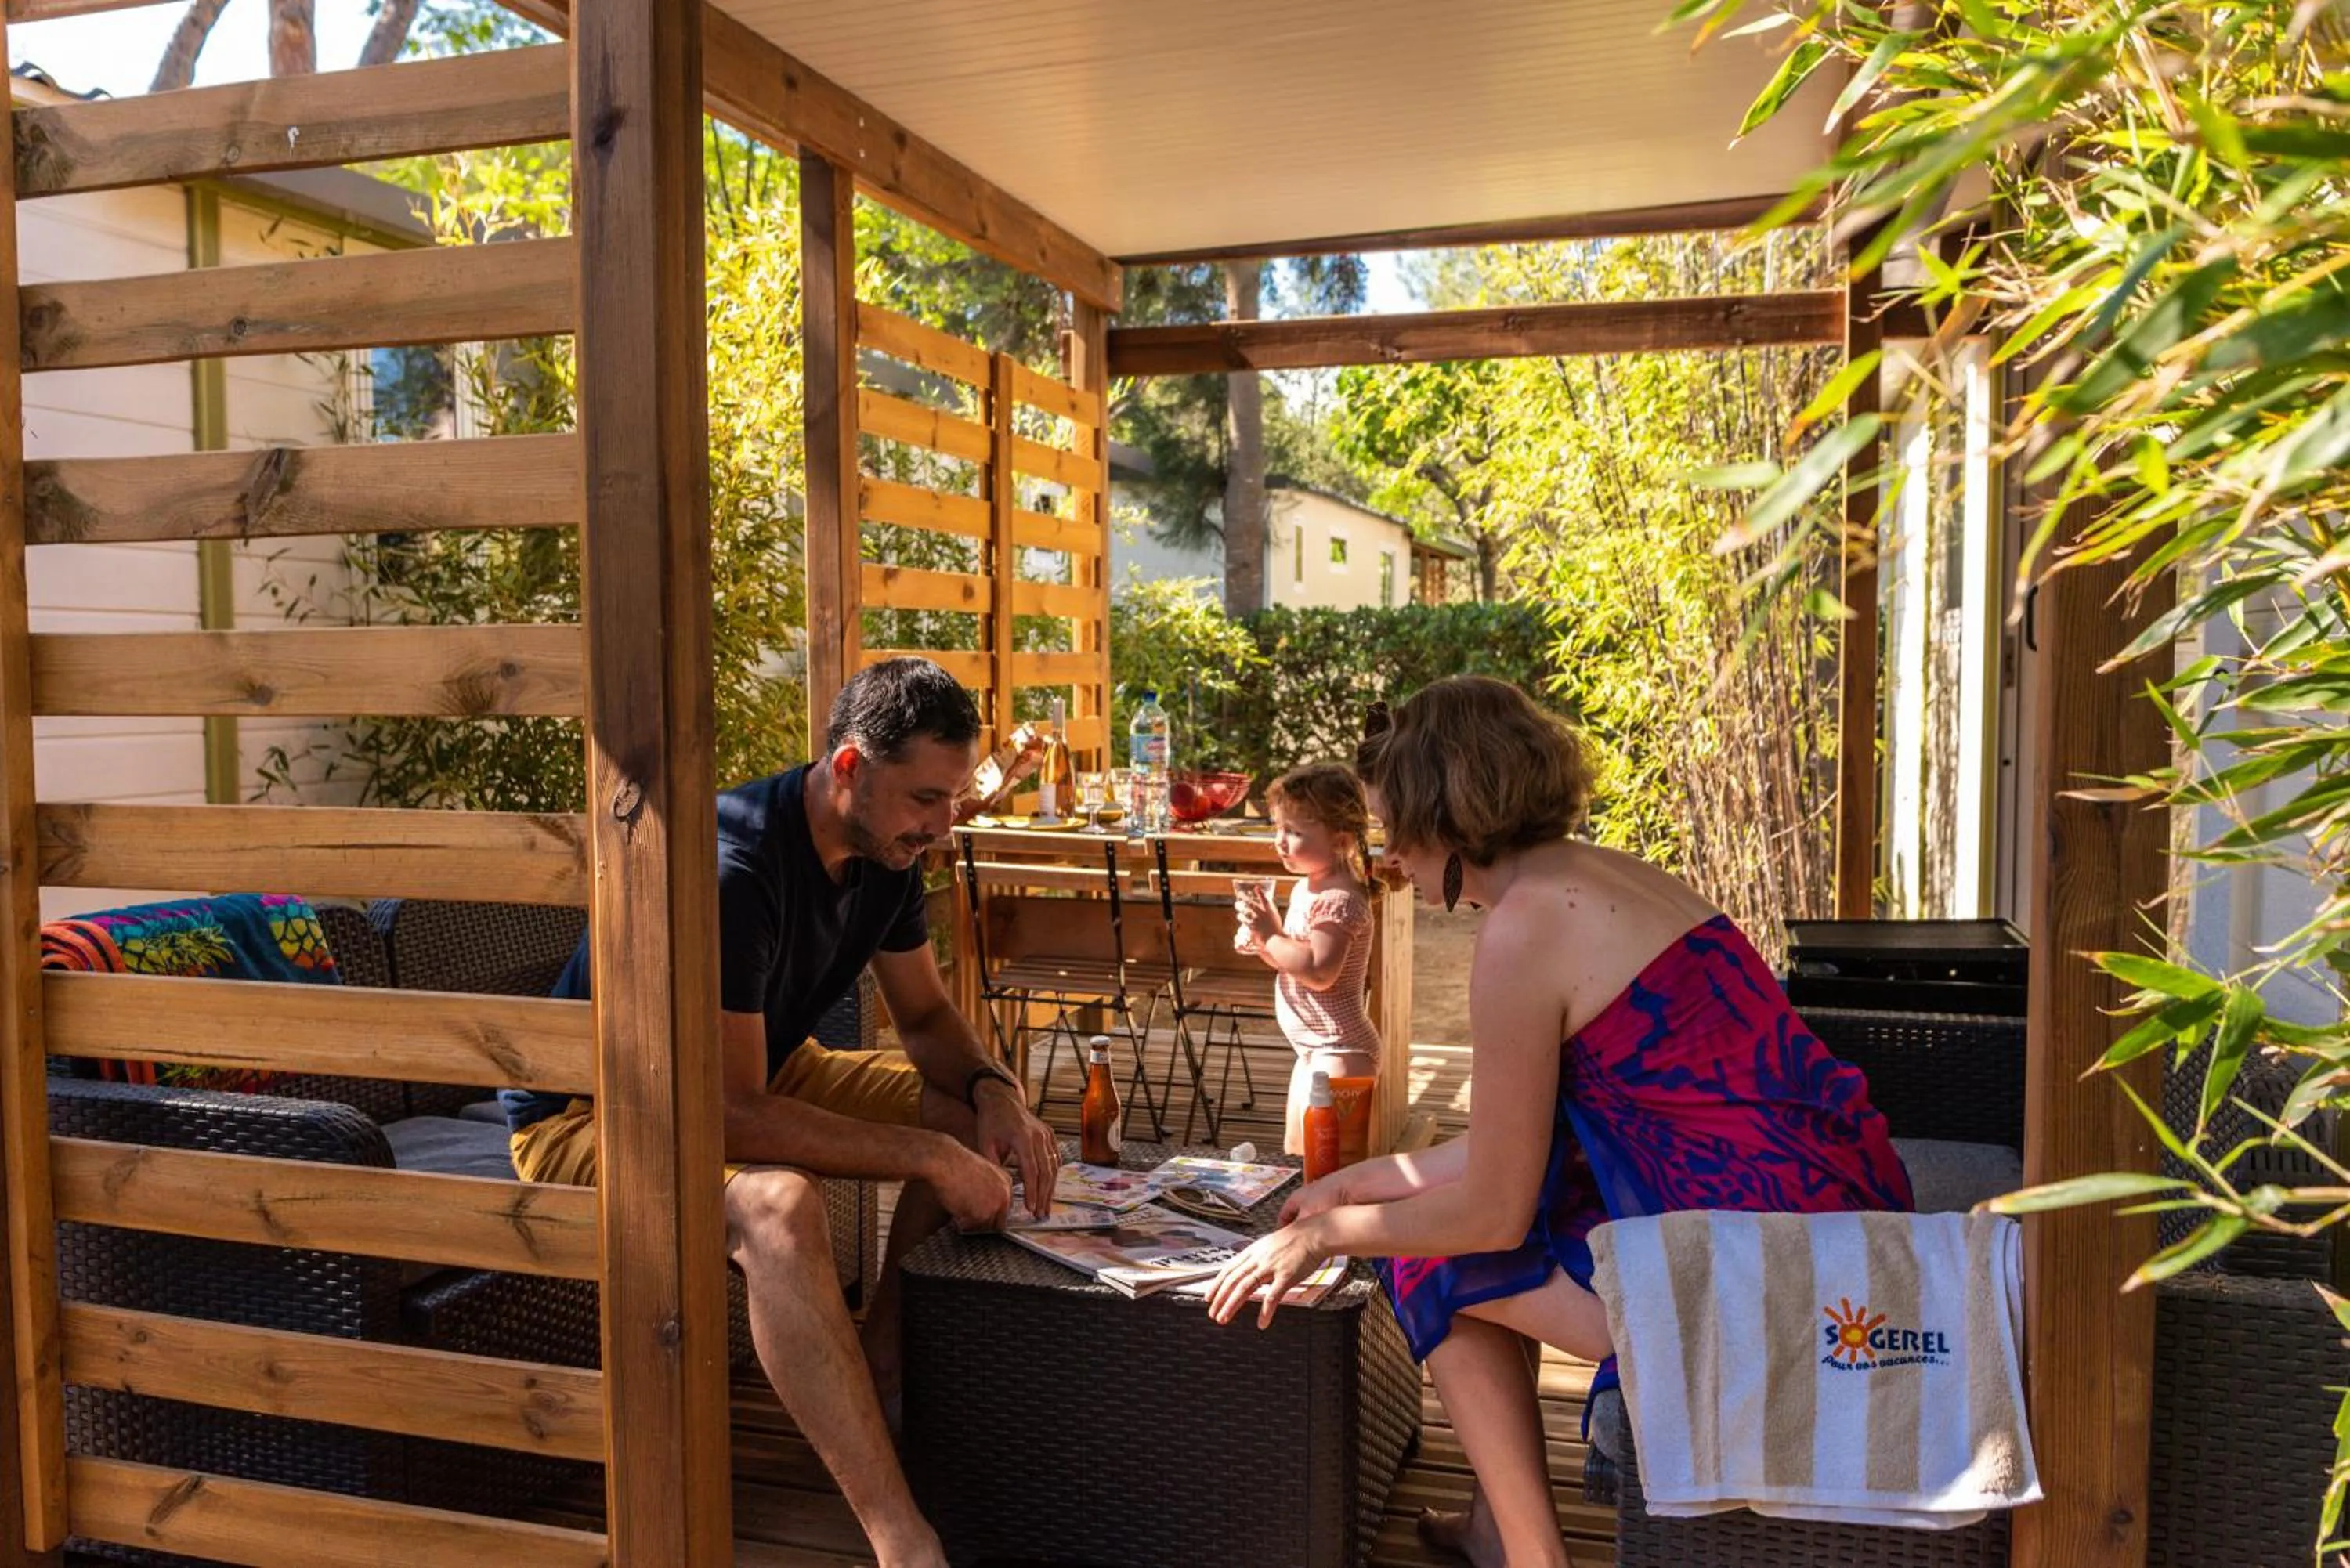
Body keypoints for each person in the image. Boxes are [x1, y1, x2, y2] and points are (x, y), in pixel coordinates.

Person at [1201, 676, 1913, 1568]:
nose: (1386, 859)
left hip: (1776, 1265)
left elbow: (1490, 1210)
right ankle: (1495, 1526)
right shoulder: (1601, 875)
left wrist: (1331, 1234)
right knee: (1474, 1218)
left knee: (1433, 1254)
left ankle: (1532, 1558)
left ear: (1445, 814)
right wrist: (1354, 1181)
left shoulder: (1525, 931)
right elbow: (1514, 1148)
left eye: (1391, 832)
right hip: (1829, 1197)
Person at [499, 657, 1061, 1568]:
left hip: (756, 1074)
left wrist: (995, 1090)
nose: (943, 825)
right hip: (595, 1110)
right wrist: (922, 1154)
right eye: (927, 798)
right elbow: (722, 1119)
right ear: (848, 768)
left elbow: (924, 1020)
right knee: (780, 1203)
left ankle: (877, 1369)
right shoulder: (734, 869)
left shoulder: (889, 852)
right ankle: (902, 1542)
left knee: (969, 1117)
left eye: (952, 799)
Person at [1233, 763, 1381, 1155]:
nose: (1280, 842)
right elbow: (1294, 961)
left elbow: (1318, 971)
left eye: (1294, 832)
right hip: (1315, 1051)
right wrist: (1264, 940)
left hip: (1342, 1052)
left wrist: (1271, 935)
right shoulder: (1306, 889)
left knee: (1331, 1167)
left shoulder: (1341, 899)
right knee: (1301, 1159)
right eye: (1277, 828)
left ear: (1341, 841)